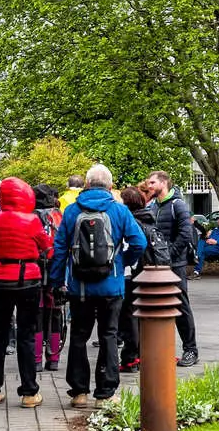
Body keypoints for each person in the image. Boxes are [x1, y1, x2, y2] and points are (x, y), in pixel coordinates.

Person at [47, 164, 147, 408]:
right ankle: (106, 392)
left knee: (79, 336)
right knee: (109, 335)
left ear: (87, 185)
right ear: (111, 187)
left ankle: (79, 391)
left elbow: (59, 249)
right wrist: (123, 261)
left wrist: (56, 281)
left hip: (79, 287)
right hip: (111, 286)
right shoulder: (119, 211)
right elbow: (139, 242)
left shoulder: (71, 211)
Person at [0, 176, 50, 407]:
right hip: (28, 278)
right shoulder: (32, 220)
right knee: (27, 335)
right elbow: (47, 248)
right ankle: (29, 392)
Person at [145, 171, 201, 366]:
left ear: (164, 182)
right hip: (156, 265)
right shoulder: (153, 206)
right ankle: (160, 350)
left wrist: (169, 255)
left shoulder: (178, 205)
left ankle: (190, 349)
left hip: (174, 265)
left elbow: (185, 234)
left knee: (180, 306)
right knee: (157, 306)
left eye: (152, 182)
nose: (149, 185)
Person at [117, 186, 157, 371]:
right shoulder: (149, 217)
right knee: (141, 316)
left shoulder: (131, 221)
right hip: (148, 272)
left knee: (129, 316)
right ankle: (144, 353)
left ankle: (131, 357)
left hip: (131, 273)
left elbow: (134, 246)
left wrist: (123, 262)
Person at [32, 183, 66, 371]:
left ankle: (36, 359)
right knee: (55, 314)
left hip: (35, 271)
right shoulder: (58, 217)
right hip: (56, 270)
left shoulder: (31, 218)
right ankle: (53, 358)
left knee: (36, 313)